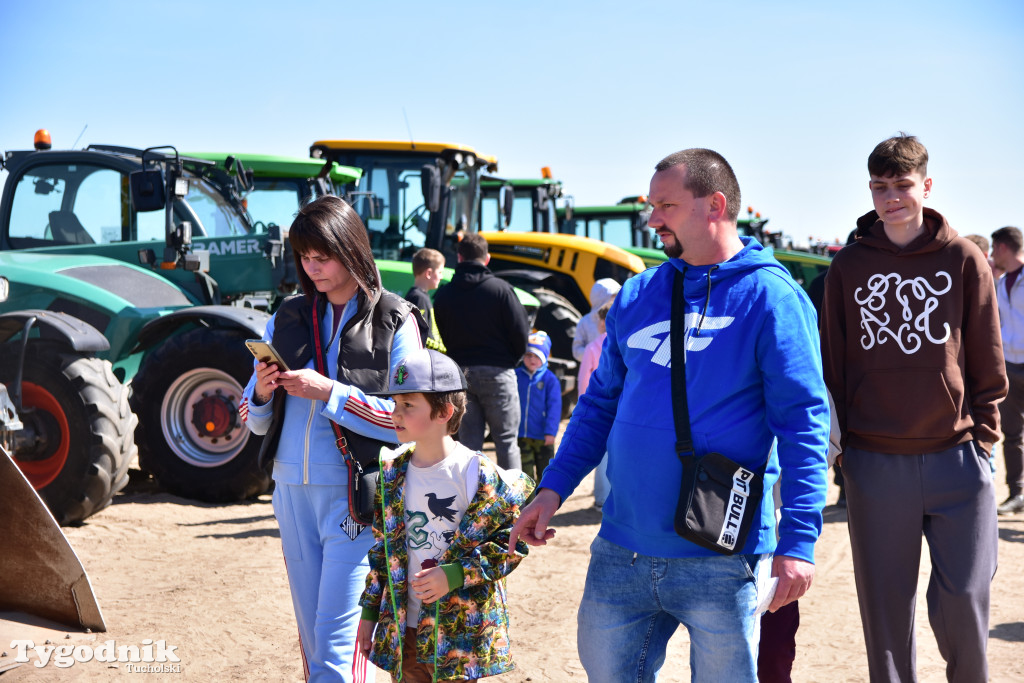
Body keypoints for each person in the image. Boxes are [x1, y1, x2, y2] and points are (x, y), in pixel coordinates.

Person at [510, 148, 831, 682]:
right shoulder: (640, 292)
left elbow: (804, 425)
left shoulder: (772, 298)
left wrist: (798, 541)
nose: (651, 218)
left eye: (666, 205)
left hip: (722, 555)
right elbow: (598, 405)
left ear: (715, 205)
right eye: (650, 205)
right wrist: (552, 489)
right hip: (621, 551)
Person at [821, 133, 1007, 682]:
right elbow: (834, 364)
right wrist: (844, 454)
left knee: (965, 604)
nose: (890, 198)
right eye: (879, 188)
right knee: (885, 615)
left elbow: (986, 354)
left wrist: (985, 439)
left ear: (925, 185)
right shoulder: (848, 268)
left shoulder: (963, 258)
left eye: (901, 186)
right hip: (876, 462)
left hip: (957, 457)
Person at [241, 195, 422, 682]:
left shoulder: (395, 317)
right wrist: (260, 392)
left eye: (322, 256)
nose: (311, 267)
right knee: (315, 637)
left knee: (339, 641)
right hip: (289, 493)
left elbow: (409, 420)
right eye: (303, 256)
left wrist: (332, 394)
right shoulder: (288, 315)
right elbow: (253, 420)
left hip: (355, 498)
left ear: (352, 248)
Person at [355, 348, 534, 682]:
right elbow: (382, 550)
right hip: (405, 627)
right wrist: (369, 612)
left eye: (408, 405)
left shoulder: (475, 473)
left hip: (459, 636)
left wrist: (454, 574)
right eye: (395, 404)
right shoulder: (391, 472)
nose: (396, 413)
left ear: (444, 412)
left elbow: (510, 545)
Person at [433, 232, 530, 470]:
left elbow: (443, 333)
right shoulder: (502, 290)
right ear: (486, 259)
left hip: (462, 377)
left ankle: (473, 501)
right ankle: (513, 504)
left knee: (468, 445)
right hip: (498, 373)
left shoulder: (443, 295)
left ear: (459, 257)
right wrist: (510, 360)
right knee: (506, 441)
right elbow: (521, 334)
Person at [991, 225, 1024, 514]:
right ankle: (1017, 494)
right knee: (1012, 434)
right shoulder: (1000, 284)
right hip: (1010, 366)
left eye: (993, 249)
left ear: (1002, 247)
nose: (991, 255)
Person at [577, 299, 613, 508]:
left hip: (598, 406)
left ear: (601, 323)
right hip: (621, 406)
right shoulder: (625, 343)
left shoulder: (592, 347)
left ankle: (601, 498)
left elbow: (584, 380)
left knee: (602, 455)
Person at [515, 331, 561, 483]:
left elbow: (554, 408)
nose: (532, 359)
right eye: (529, 355)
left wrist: (550, 432)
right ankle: (528, 504)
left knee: (545, 473)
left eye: (537, 356)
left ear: (545, 357)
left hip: (542, 436)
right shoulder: (516, 376)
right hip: (521, 434)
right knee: (524, 475)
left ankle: (543, 503)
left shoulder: (550, 380)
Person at [405, 247, 447, 352]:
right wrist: (442, 349)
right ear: (428, 273)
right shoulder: (419, 298)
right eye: (440, 272)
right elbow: (419, 334)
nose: (441, 277)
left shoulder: (420, 296)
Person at [572, 278, 621, 361]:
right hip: (592, 369)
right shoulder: (585, 322)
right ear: (601, 299)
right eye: (613, 296)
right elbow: (576, 350)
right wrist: (593, 354)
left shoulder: (618, 319)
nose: (616, 300)